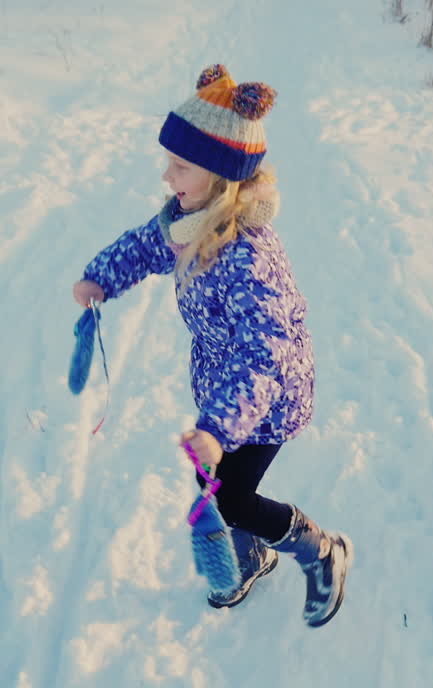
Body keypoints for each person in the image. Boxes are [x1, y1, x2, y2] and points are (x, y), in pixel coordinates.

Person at [72, 64, 352, 627]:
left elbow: (263, 355)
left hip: (266, 401)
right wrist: (102, 276)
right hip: (227, 392)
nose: (165, 175)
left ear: (221, 176)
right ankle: (250, 557)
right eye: (169, 162)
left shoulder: (248, 258)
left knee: (231, 497)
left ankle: (320, 551)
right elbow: (146, 246)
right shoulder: (192, 219)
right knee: (215, 481)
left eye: (180, 166)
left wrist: (219, 428)